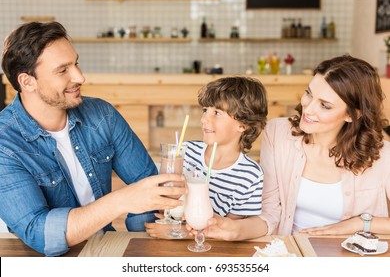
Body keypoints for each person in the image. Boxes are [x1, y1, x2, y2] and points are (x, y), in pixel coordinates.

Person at [0, 21, 185, 256]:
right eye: (63, 70)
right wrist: (121, 201)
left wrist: (144, 246)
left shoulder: (102, 115)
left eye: (76, 63)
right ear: (27, 82)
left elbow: (150, 189)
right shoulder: (5, 144)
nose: (80, 77)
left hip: (105, 251)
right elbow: (40, 234)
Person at [190, 54, 390, 240]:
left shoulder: (383, 156)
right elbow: (269, 212)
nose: (308, 108)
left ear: (352, 115)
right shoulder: (278, 133)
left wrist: (357, 224)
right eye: (309, 94)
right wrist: (235, 230)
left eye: (325, 105)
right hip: (289, 253)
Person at [145, 76, 268, 238]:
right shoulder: (186, 152)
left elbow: (225, 231)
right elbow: (165, 206)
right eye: (205, 110)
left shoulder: (250, 175)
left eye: (216, 112)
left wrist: (177, 232)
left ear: (243, 125)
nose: (204, 119)